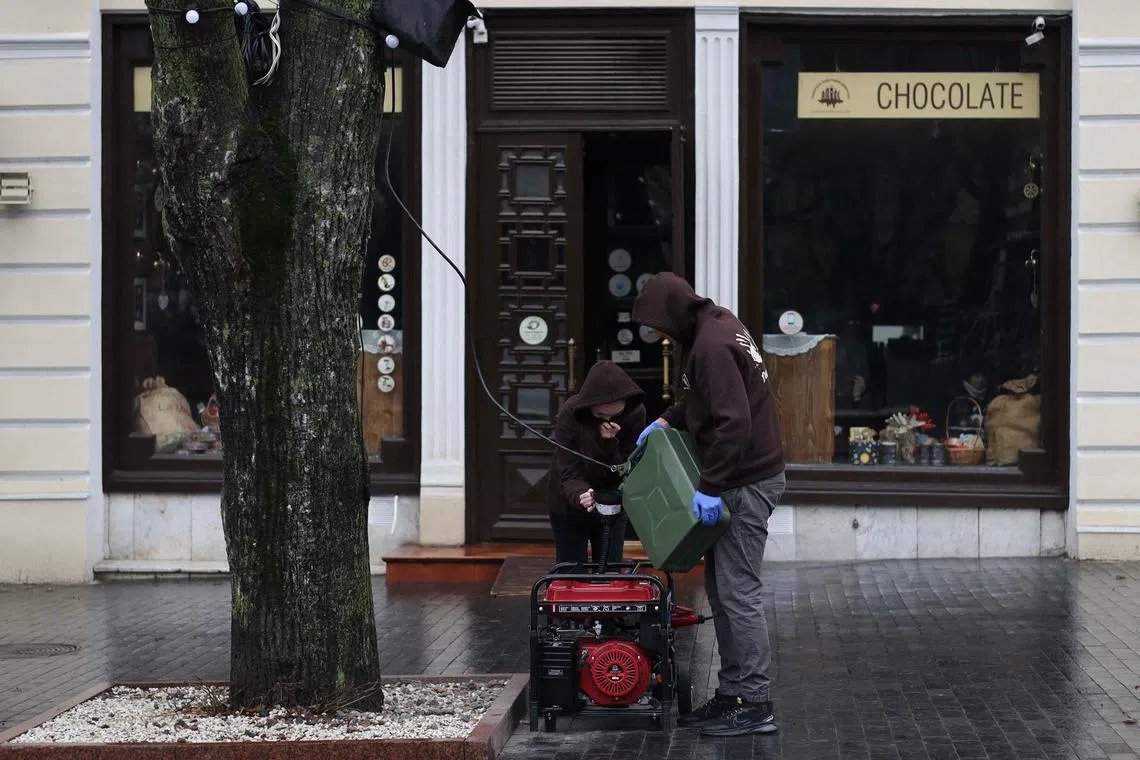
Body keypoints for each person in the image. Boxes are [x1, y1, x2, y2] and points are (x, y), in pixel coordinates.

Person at [632, 272, 785, 737]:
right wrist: (664, 420)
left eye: (657, 326)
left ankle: (754, 703)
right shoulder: (714, 326)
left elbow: (732, 422)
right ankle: (733, 693)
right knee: (723, 593)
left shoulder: (711, 346)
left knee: (739, 595)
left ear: (671, 315)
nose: (657, 336)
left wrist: (711, 486)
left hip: (745, 480)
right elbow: (702, 401)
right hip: (741, 476)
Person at [547, 360, 646, 567]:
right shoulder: (571, 412)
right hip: (570, 504)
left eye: (615, 414)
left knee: (610, 572)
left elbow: (627, 467)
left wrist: (608, 444)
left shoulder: (635, 413)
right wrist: (580, 494)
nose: (608, 419)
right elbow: (568, 468)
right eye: (600, 414)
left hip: (612, 502)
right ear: (590, 405)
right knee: (571, 575)